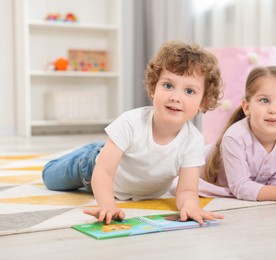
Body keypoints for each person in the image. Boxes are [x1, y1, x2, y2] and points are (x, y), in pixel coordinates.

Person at [42, 40, 224, 224]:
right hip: (92, 170)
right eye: (168, 86)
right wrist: (107, 204)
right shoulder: (131, 122)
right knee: (50, 178)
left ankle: (104, 147)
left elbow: (186, 191)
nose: (175, 97)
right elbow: (103, 172)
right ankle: (93, 151)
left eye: (190, 91)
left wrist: (190, 206)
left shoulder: (193, 141)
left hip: (135, 186)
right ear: (154, 88)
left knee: (108, 151)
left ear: (203, 102)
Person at [172, 66, 276, 206]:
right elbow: (240, 187)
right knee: (170, 184)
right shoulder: (235, 137)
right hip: (185, 169)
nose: (273, 109)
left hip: (238, 186)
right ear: (247, 107)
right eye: (264, 100)